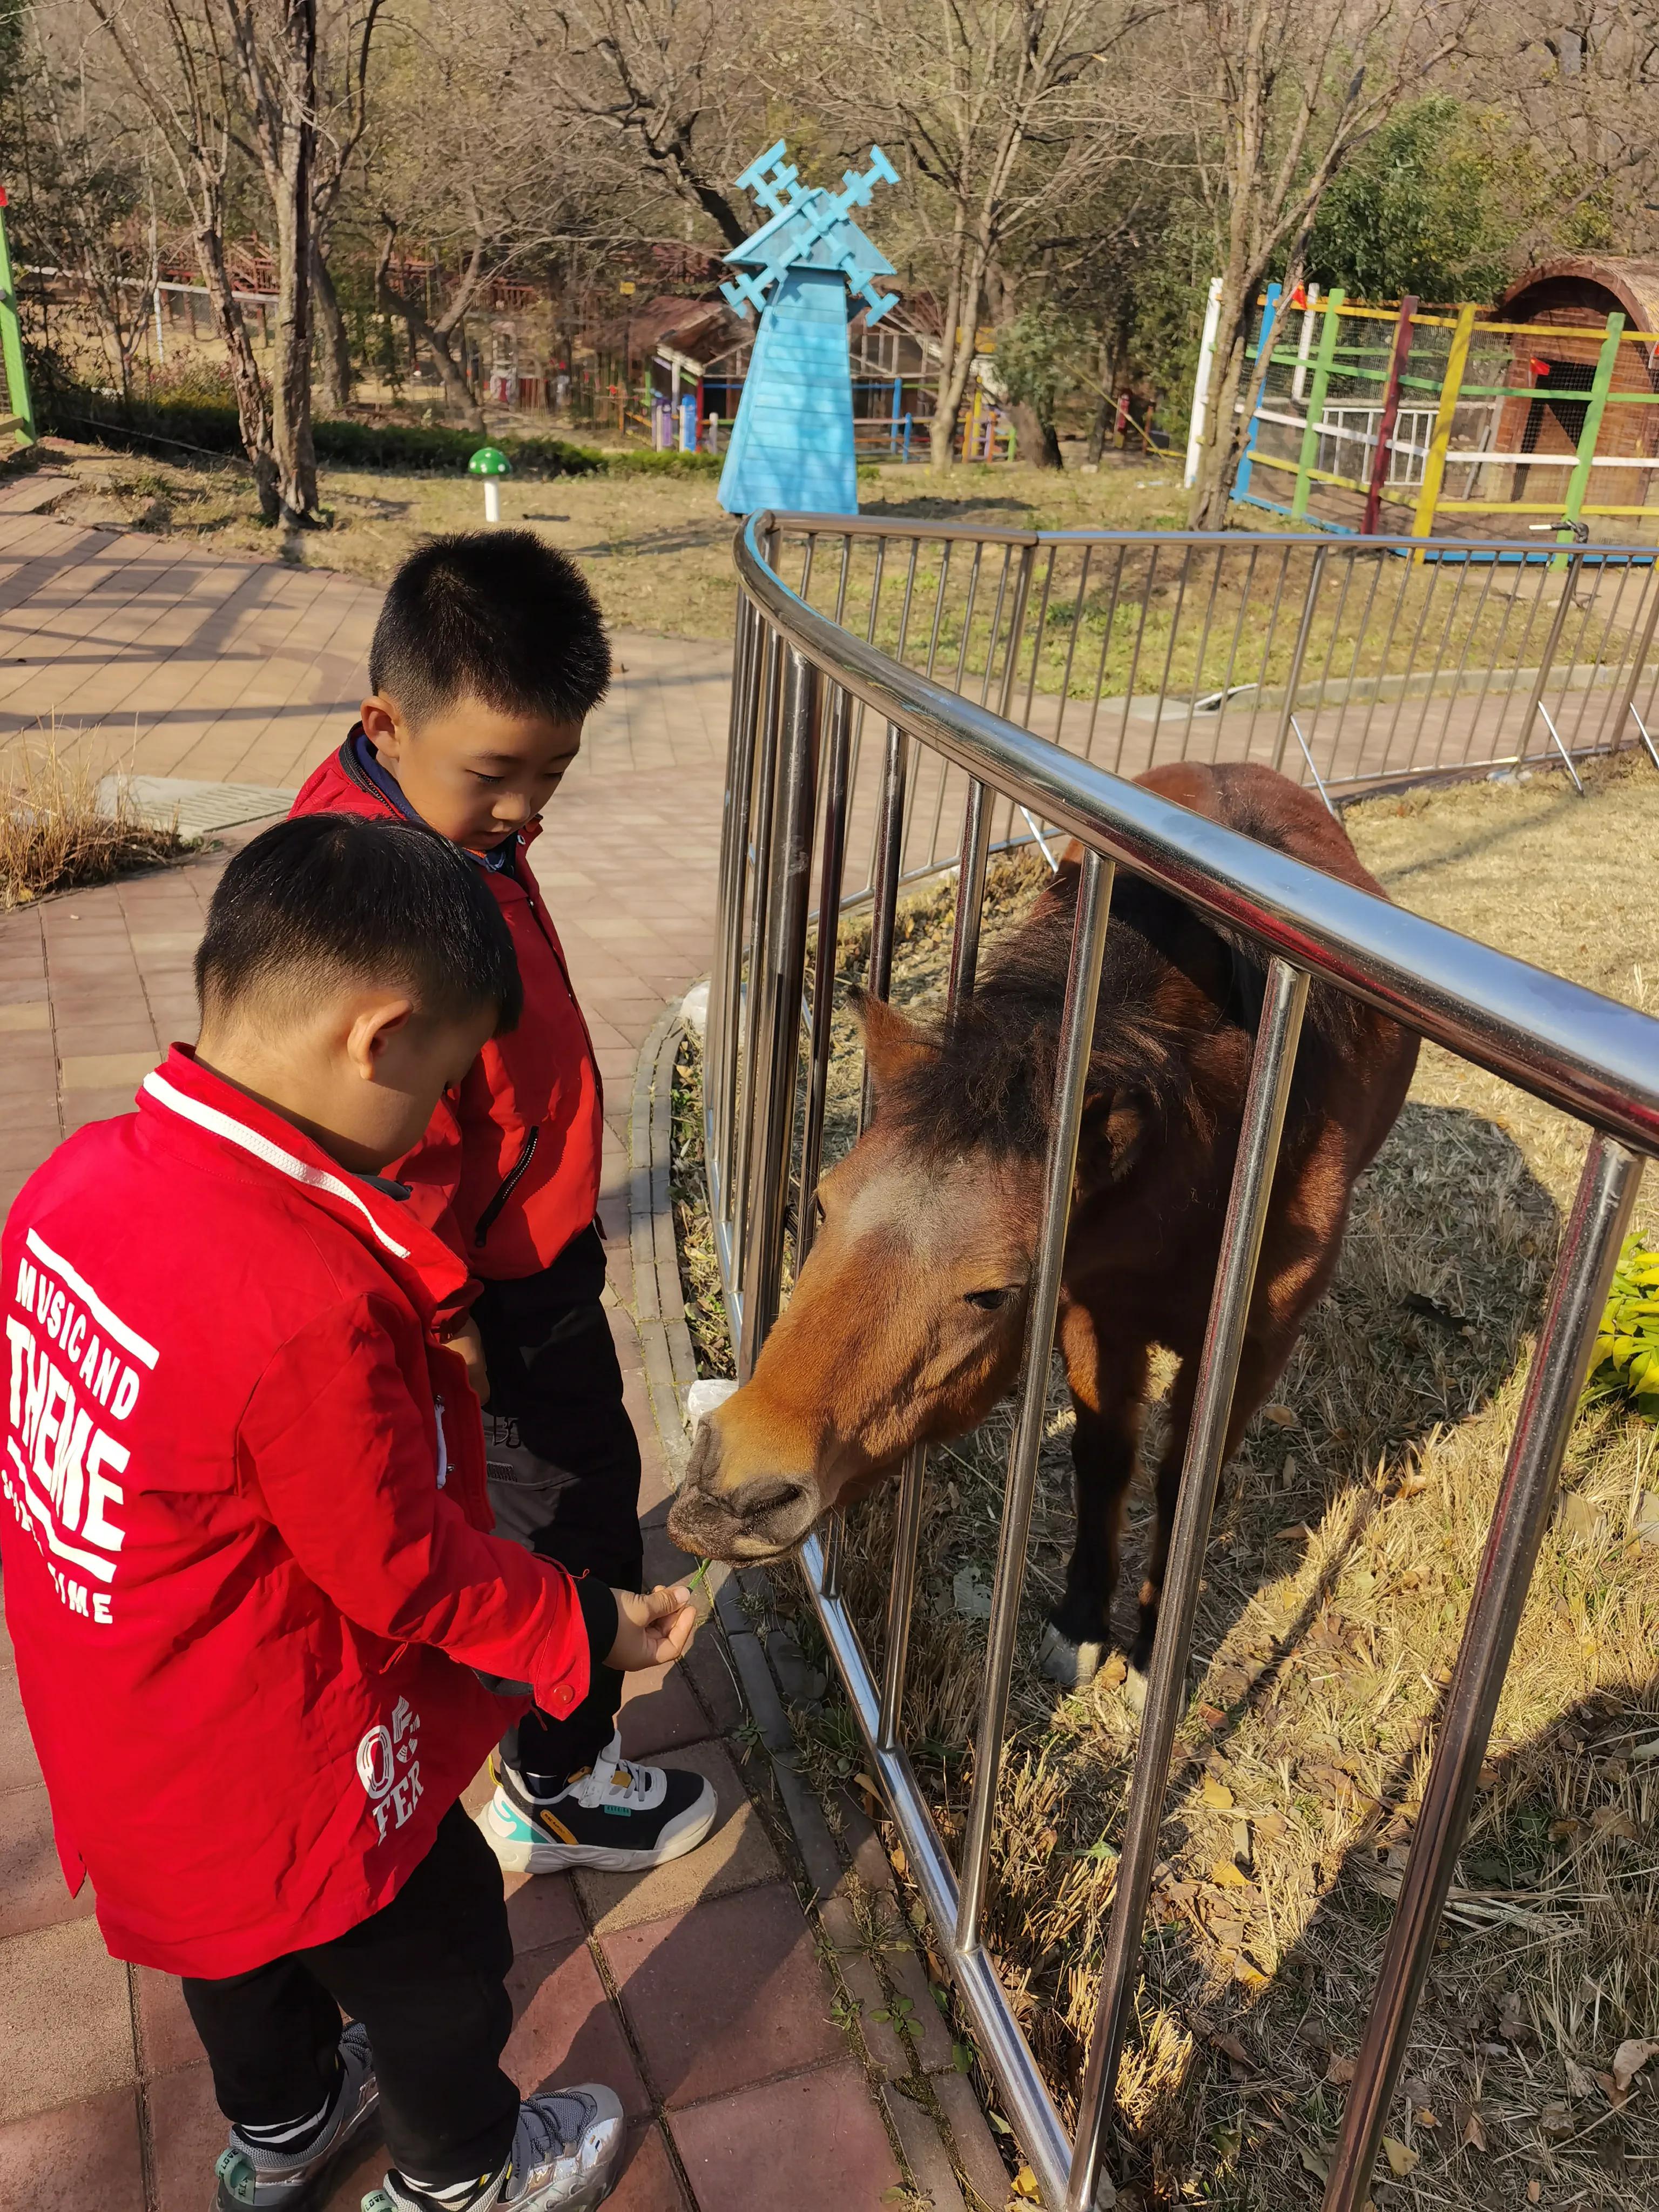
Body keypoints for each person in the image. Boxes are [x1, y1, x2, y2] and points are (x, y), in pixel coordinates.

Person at [0, 815, 697, 2212]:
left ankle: (288, 2123)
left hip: (133, 1738)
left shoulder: (73, 1186)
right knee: (433, 1959)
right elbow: (406, 1574)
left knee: (233, 1959)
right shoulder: (293, 1303)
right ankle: (461, 2175)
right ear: (381, 1042)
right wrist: (583, 1625)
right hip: (295, 1767)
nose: (432, 1123)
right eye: (442, 1083)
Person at [289, 532, 714, 1877]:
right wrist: (447, 1306)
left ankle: (530, 1720)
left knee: (537, 1502)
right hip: (490, 1288)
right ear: (386, 721)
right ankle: (564, 1776)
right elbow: (368, 1151)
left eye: (554, 774)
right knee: (579, 1503)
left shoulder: (429, 823)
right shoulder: (381, 906)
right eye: (497, 774)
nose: (527, 808)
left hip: (520, 1245)